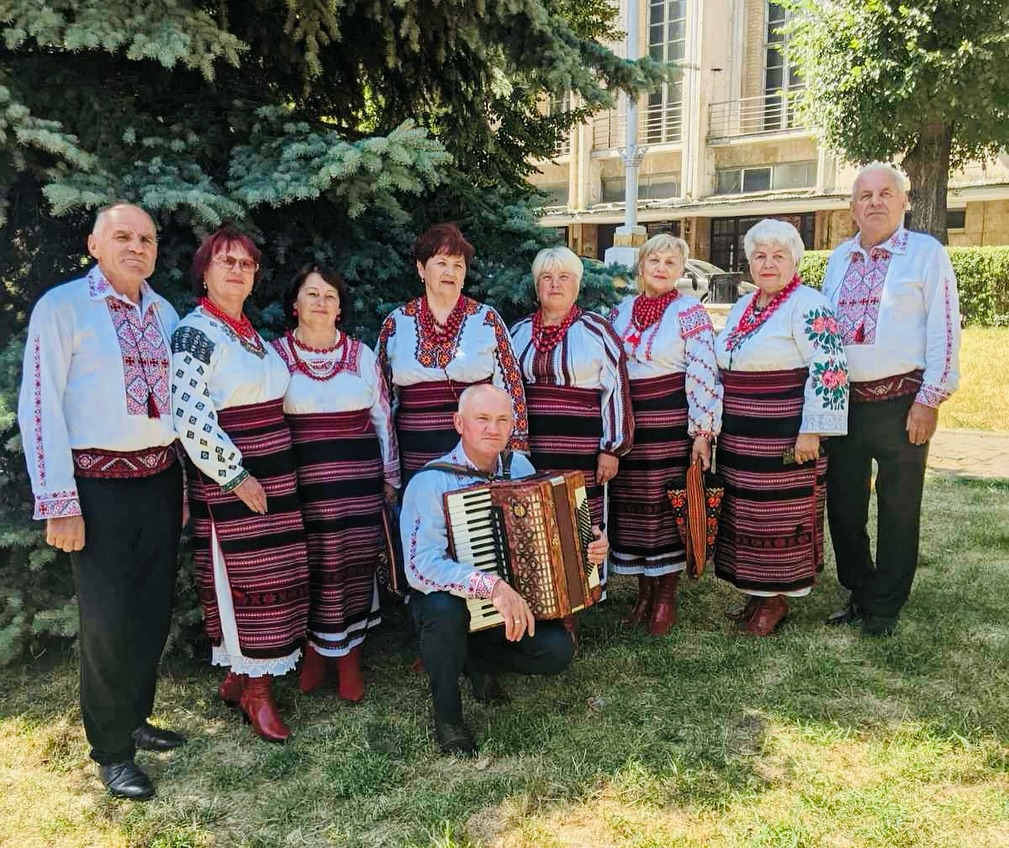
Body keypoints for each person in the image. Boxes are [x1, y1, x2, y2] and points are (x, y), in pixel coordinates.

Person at [18, 202, 186, 801]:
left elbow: (179, 409)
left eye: (147, 238)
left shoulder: (165, 313)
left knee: (152, 611)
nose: (137, 247)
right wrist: (59, 500)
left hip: (160, 481)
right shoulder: (63, 308)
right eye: (123, 236)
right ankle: (112, 751)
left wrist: (182, 486)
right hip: (95, 490)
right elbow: (40, 404)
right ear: (94, 244)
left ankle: (134, 718)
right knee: (108, 621)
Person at [400, 384, 609, 755]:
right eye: (482, 419)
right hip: (451, 608)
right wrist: (491, 586)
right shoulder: (431, 482)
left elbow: (549, 537)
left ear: (513, 425)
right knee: (442, 609)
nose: (492, 429)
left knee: (558, 651)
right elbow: (419, 567)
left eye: (501, 420)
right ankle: (448, 717)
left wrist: (587, 547)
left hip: (506, 611)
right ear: (459, 423)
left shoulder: (521, 469)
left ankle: (475, 660)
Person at [171, 227, 310, 741]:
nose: (237, 271)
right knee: (244, 581)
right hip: (235, 477)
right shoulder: (194, 332)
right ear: (204, 273)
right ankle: (256, 692)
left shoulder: (248, 332)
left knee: (276, 576)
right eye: (225, 262)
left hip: (277, 472)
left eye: (246, 264)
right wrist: (235, 476)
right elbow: (190, 415)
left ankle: (237, 675)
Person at [821, 162, 961, 637]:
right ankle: (859, 590)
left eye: (885, 193)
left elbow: (944, 327)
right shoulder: (838, 259)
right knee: (844, 506)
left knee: (899, 507)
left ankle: (885, 605)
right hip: (845, 404)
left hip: (903, 402)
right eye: (865, 196)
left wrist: (931, 398)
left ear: (904, 202)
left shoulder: (925, 253)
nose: (875, 202)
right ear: (853, 208)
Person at [714, 219, 849, 635]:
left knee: (775, 514)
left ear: (795, 261)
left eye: (778, 255)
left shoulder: (809, 304)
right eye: (759, 256)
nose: (768, 264)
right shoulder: (743, 305)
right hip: (740, 433)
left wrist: (813, 430)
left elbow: (830, 366)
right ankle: (756, 591)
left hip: (784, 431)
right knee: (744, 511)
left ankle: (775, 600)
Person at [272, 265, 400, 701]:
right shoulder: (275, 357)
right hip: (303, 488)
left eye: (330, 295)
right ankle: (315, 652)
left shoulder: (360, 355)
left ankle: (350, 659)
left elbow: (382, 416)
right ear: (295, 304)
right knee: (311, 568)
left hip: (358, 487)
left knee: (354, 566)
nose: (321, 302)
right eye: (312, 294)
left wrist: (390, 475)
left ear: (340, 307)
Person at [607, 234, 722, 635]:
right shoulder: (619, 311)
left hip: (671, 424)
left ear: (680, 271)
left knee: (667, 504)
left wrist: (702, 432)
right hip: (630, 427)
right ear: (641, 265)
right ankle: (644, 591)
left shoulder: (689, 311)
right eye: (654, 260)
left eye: (670, 263)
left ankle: (666, 595)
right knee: (633, 505)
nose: (661, 268)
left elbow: (704, 370)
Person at [377, 223, 528, 485]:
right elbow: (382, 401)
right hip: (415, 458)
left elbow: (512, 389)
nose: (450, 272)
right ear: (421, 268)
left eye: (458, 265)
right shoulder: (396, 324)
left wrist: (512, 459)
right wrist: (389, 471)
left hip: (477, 461)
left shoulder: (486, 320)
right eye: (442, 263)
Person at [510, 245, 633, 529]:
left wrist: (611, 449)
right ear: (537, 286)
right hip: (531, 451)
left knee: (578, 524)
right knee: (533, 522)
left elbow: (616, 391)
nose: (555, 284)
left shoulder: (597, 330)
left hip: (581, 452)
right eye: (547, 277)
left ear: (577, 285)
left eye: (564, 277)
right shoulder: (517, 332)